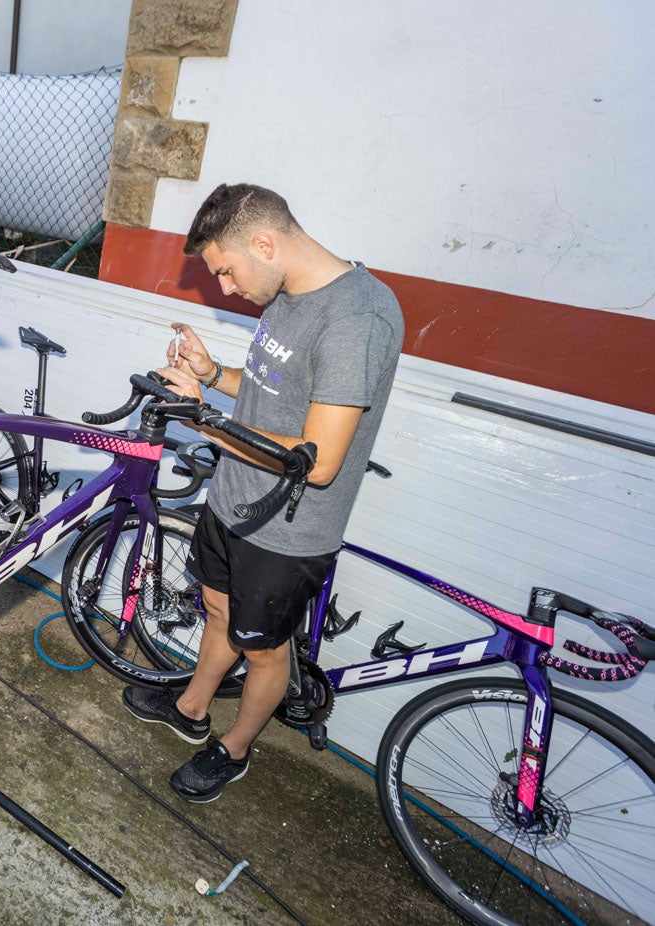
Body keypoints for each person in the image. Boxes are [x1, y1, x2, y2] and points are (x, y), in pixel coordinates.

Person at [125, 183, 403, 803]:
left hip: (288, 530)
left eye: (225, 271)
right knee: (219, 614)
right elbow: (270, 391)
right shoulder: (287, 289)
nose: (225, 288)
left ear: (264, 241)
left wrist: (202, 420)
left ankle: (235, 748)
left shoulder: (356, 317)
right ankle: (192, 707)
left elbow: (319, 461)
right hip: (233, 499)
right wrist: (212, 375)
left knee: (265, 648)